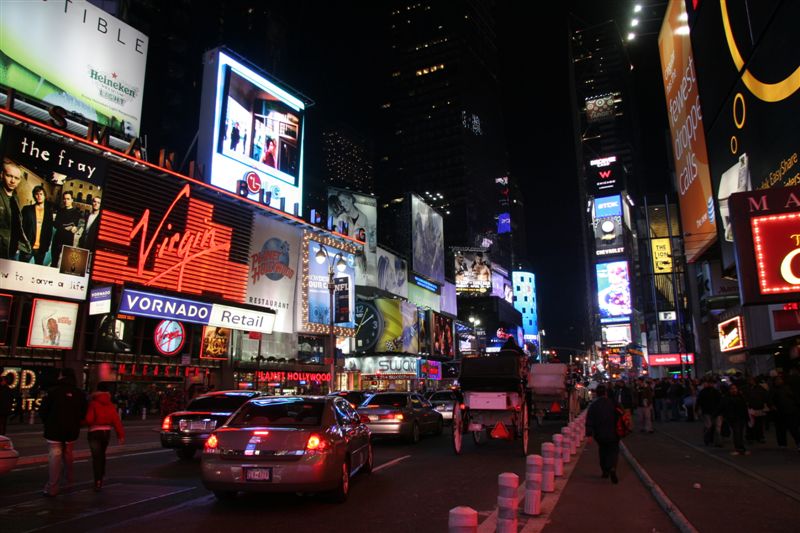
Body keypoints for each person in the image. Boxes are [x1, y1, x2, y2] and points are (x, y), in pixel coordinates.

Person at [39, 368, 88, 496]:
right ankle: (69, 481)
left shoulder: (53, 392)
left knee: (55, 457)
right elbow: (83, 413)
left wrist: (48, 422)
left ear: (61, 376)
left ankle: (53, 487)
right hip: (71, 430)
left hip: (54, 430)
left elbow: (43, 411)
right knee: (68, 454)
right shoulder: (79, 393)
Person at [83, 383, 125, 491]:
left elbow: (89, 419)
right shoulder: (110, 404)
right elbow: (116, 420)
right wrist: (120, 435)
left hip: (95, 432)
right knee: (102, 454)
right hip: (106, 432)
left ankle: (97, 480)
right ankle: (101, 476)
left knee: (96, 457)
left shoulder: (93, 403)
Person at [585, 384, 620, 484]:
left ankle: (605, 471)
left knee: (603, 451)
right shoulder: (613, 403)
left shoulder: (594, 405)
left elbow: (589, 420)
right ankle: (613, 467)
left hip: (599, 433)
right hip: (614, 431)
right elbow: (621, 414)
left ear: (596, 393)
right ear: (605, 393)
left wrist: (589, 434)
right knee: (613, 451)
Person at [0, 157, 32, 260]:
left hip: (13, 251)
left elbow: (17, 225)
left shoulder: (15, 198)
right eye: (9, 176)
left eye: (16, 178)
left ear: (19, 181)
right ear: (1, 175)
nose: (13, 181)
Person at [20, 185, 55, 265]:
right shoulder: (27, 209)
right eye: (36, 194)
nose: (39, 196)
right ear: (34, 196)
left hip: (41, 248)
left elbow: (49, 230)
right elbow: (21, 227)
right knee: (22, 268)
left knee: (37, 270)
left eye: (41, 194)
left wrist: (47, 246)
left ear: (45, 196)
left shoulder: (48, 212)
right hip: (27, 247)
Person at [50, 191, 81, 268]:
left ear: (72, 200)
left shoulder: (76, 213)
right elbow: (56, 224)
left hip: (68, 240)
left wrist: (64, 225)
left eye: (68, 199)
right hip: (57, 240)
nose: (66, 201)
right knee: (54, 263)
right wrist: (68, 226)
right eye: (64, 199)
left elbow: (74, 226)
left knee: (65, 265)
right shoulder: (60, 211)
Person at [721, 382, 750, 455]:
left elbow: (744, 408)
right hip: (733, 418)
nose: (734, 390)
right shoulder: (727, 398)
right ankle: (738, 448)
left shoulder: (740, 397)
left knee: (740, 433)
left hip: (741, 417)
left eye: (735, 388)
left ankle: (741, 448)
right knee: (737, 433)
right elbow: (722, 407)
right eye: (732, 389)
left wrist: (747, 417)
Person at [695, 378, 722, 446]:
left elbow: (721, 402)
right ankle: (708, 439)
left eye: (712, 383)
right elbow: (699, 401)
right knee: (709, 426)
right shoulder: (704, 392)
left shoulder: (716, 392)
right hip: (707, 411)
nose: (711, 384)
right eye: (710, 383)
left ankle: (717, 442)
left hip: (715, 411)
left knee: (717, 428)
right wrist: (697, 409)